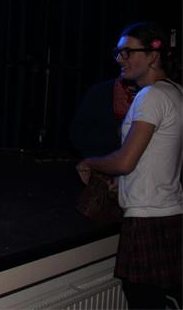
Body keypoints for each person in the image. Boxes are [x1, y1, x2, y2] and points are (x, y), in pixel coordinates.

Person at [77, 22, 182, 310]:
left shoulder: (151, 96)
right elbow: (158, 157)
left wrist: (91, 162)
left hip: (148, 217)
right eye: (118, 52)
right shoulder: (175, 91)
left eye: (128, 52)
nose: (120, 59)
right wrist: (122, 184)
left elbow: (125, 161)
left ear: (153, 55)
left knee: (143, 298)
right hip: (170, 212)